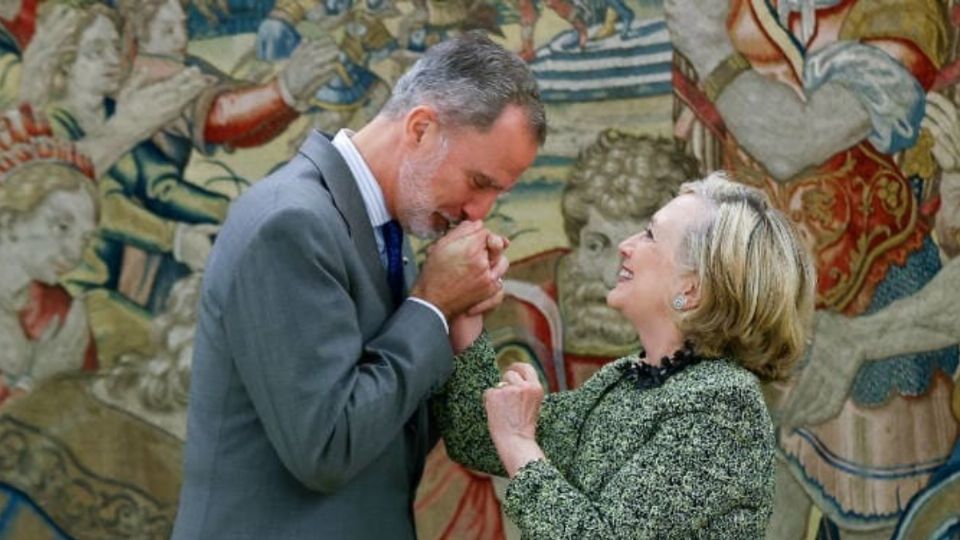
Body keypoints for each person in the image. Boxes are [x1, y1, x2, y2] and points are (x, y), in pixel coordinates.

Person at [171, 31, 546, 539]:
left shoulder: (386, 234)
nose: (480, 212)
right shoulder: (291, 224)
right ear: (420, 128)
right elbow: (327, 447)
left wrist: (459, 318)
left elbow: (393, 436)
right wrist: (432, 304)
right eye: (479, 183)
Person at [435, 173, 817, 538]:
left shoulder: (723, 405)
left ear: (693, 288)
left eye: (650, 235)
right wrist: (467, 314)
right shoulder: (629, 379)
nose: (626, 245)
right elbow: (477, 437)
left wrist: (520, 441)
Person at [0, 103, 98, 405]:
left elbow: (83, 416)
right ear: (9, 220)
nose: (74, 252)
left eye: (85, 239)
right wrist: (37, 379)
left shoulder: (59, 309)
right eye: (61, 226)